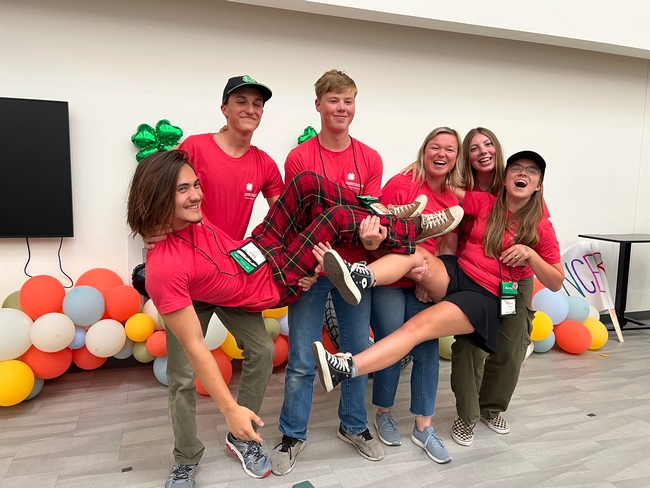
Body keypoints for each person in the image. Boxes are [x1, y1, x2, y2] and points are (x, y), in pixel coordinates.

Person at [127, 152, 464, 474]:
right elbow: (196, 347)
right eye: (183, 189)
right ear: (158, 197)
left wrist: (153, 220)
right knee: (333, 220)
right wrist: (230, 410)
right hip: (274, 281)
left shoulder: (188, 223)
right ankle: (407, 228)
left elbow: (173, 208)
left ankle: (384, 215)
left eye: (195, 184)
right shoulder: (165, 269)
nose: (196, 195)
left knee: (304, 183)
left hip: (258, 249)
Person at [311, 151, 564, 416]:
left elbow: (556, 281)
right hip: (459, 273)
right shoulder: (488, 203)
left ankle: (345, 369)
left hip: (486, 296)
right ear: (505, 178)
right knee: (415, 253)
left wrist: (531, 255)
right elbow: (448, 188)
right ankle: (360, 278)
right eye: (517, 168)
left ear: (538, 185)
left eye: (532, 171)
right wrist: (421, 167)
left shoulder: (541, 227)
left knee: (417, 328)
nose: (523, 173)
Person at [144, 75, 284, 484]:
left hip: (231, 277)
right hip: (188, 278)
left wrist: (276, 252)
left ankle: (243, 436)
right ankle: (186, 457)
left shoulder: (264, 163)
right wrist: (152, 229)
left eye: (258, 104)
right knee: (183, 374)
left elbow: (280, 219)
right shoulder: (194, 147)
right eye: (241, 101)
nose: (250, 109)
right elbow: (158, 188)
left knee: (260, 350)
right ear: (224, 108)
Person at [271, 69, 386, 475]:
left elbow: (366, 222)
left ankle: (354, 426)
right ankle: (292, 434)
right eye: (334, 100)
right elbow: (294, 220)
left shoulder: (370, 158)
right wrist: (307, 263)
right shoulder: (299, 158)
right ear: (318, 105)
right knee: (302, 358)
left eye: (349, 100)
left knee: (355, 352)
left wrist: (370, 242)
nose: (342, 108)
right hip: (312, 273)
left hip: (354, 271)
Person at [368, 127, 462, 464]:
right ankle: (383, 413)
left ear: (455, 158)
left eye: (449, 149)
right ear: (424, 151)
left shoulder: (452, 200)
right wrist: (411, 270)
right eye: (435, 147)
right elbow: (380, 236)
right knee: (393, 345)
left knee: (427, 351)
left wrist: (434, 280)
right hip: (391, 281)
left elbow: (448, 250)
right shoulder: (401, 184)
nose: (442, 153)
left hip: (424, 284)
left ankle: (424, 426)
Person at [449, 130, 549, 446]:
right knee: (471, 345)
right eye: (474, 147)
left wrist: (530, 254)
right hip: (475, 276)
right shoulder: (473, 193)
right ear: (466, 155)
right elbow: (440, 188)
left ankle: (491, 408)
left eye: (488, 144)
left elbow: (544, 245)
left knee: (512, 346)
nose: (482, 151)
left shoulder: (524, 189)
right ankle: (466, 416)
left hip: (514, 281)